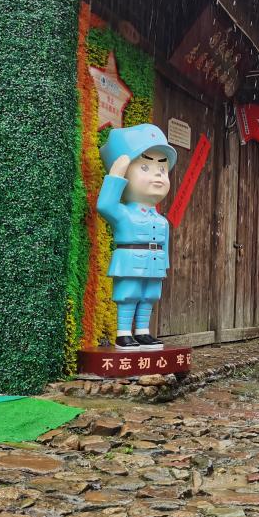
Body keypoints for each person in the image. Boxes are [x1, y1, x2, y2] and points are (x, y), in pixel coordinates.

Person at [97, 124, 177, 351]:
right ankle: (123, 333)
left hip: (154, 264)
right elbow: (105, 205)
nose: (158, 175)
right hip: (130, 261)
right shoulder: (123, 213)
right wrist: (115, 177)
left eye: (162, 169)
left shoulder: (161, 220)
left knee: (149, 296)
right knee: (128, 295)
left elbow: (165, 247)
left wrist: (164, 267)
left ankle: (143, 331)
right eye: (144, 167)